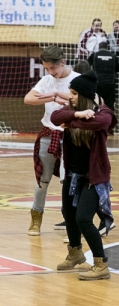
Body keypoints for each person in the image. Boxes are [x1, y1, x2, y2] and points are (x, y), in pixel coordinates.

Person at [51, 71, 117, 280]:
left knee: (83, 219)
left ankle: (100, 263)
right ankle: (75, 252)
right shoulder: (70, 111)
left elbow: (101, 123)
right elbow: (55, 117)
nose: (70, 97)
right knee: (68, 214)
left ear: (86, 95)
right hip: (72, 175)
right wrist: (76, 115)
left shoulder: (104, 112)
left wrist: (71, 123)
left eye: (74, 93)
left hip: (94, 178)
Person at [23, 46, 79, 235]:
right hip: (48, 134)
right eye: (47, 68)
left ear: (62, 62)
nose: (50, 72)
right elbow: (28, 99)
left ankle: (71, 223)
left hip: (70, 136)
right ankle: (36, 218)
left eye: (53, 68)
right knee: (42, 180)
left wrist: (62, 98)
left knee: (68, 180)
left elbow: (87, 102)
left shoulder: (76, 79)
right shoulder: (46, 80)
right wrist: (52, 96)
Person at [89, 42, 119, 113]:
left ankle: (97, 120)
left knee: (97, 103)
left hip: (97, 83)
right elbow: (118, 69)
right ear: (107, 47)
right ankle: (109, 121)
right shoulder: (113, 56)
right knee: (109, 105)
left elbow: (87, 65)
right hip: (110, 84)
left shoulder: (94, 55)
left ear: (99, 47)